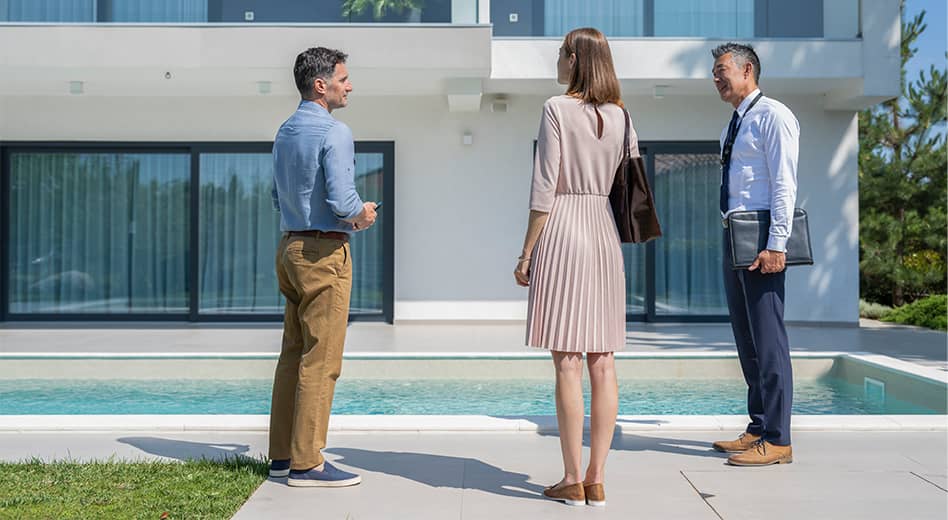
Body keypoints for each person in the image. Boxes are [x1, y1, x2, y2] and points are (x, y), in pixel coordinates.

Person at [514, 27, 638, 508]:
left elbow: (544, 189)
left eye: (560, 55)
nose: (556, 63)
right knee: (602, 361)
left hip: (564, 229)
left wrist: (526, 253)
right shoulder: (623, 116)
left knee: (567, 359)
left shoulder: (556, 109)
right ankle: (597, 477)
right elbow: (628, 185)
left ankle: (570, 477)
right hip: (604, 233)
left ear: (573, 58)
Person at [268, 46, 378, 487]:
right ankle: (308, 463)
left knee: (292, 356)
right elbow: (342, 200)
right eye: (343, 78)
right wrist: (363, 215)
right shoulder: (336, 131)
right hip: (323, 254)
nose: (349, 85)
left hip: (290, 248)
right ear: (321, 85)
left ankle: (281, 456)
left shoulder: (284, 131)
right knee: (322, 360)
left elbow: (277, 197)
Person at [709, 42, 799, 466]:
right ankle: (759, 426)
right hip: (735, 233)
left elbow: (784, 183)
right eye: (714, 71)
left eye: (722, 69)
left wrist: (776, 243)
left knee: (769, 339)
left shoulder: (773, 116)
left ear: (748, 70)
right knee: (746, 339)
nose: (716, 77)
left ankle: (779, 440)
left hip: (762, 233)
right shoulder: (733, 124)